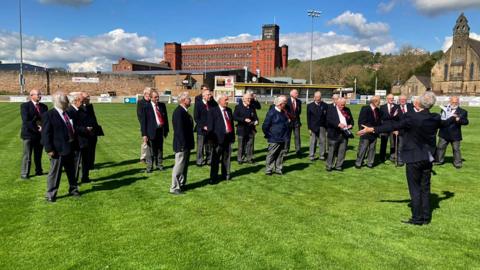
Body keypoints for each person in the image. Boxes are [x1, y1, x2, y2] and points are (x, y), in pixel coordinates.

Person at [358, 92, 458, 225]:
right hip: (428, 158)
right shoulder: (435, 117)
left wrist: (372, 129)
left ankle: (417, 218)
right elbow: (445, 123)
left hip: (414, 157)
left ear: (420, 103)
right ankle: (426, 217)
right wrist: (454, 118)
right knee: (425, 188)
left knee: (415, 189)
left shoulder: (412, 117)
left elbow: (392, 126)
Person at [42, 91, 80, 202]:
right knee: (55, 173)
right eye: (66, 100)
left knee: (72, 172)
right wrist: (49, 149)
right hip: (58, 149)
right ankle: (51, 194)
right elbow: (46, 134)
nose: (68, 102)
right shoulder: (49, 115)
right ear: (60, 102)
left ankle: (73, 189)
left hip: (70, 147)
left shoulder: (68, 113)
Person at [170, 92, 195, 195]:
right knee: (179, 165)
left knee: (184, 166)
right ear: (184, 100)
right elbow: (179, 131)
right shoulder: (179, 112)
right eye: (189, 99)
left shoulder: (184, 111)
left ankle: (181, 184)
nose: (190, 100)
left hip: (186, 144)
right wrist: (183, 145)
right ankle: (174, 187)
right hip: (181, 144)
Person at [20, 89, 48, 179]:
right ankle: (25, 173)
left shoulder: (44, 107)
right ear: (31, 95)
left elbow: (46, 120)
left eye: (40, 94)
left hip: (39, 135)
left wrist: (43, 127)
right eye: (38, 94)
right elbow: (26, 121)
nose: (40, 96)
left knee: (38, 154)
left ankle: (39, 170)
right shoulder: (25, 106)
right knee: (27, 155)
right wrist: (37, 127)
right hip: (29, 134)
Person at [207, 94, 235, 183]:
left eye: (228, 100)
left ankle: (226, 174)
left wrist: (232, 137)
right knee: (215, 159)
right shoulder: (213, 111)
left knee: (226, 158)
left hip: (228, 138)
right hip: (217, 139)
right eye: (225, 100)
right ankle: (213, 177)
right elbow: (210, 126)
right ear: (219, 100)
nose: (227, 101)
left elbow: (231, 124)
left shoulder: (229, 110)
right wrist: (211, 140)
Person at [435, 96, 469, 168]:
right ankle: (439, 161)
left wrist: (458, 119)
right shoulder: (444, 109)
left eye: (456, 102)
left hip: (455, 134)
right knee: (440, 148)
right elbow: (441, 119)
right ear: (450, 102)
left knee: (456, 149)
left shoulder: (463, 111)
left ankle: (457, 163)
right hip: (444, 132)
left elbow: (466, 122)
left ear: (458, 102)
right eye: (453, 102)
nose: (454, 103)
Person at [140, 90, 169, 173]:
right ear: (151, 98)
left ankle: (159, 164)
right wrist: (144, 134)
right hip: (150, 131)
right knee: (150, 150)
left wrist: (166, 130)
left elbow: (165, 119)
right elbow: (143, 122)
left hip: (160, 130)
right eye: (155, 97)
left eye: (158, 97)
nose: (157, 98)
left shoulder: (162, 105)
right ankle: (149, 166)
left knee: (160, 149)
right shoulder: (146, 107)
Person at [262, 95, 290, 175]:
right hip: (274, 138)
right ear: (280, 104)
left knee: (280, 154)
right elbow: (265, 126)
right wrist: (269, 135)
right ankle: (268, 170)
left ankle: (278, 169)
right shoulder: (271, 113)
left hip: (283, 137)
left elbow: (285, 123)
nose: (285, 104)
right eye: (284, 103)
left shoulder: (283, 112)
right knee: (272, 154)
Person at [325, 97, 354, 171]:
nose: (342, 106)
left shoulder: (347, 110)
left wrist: (350, 125)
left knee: (342, 151)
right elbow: (328, 120)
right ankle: (329, 166)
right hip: (334, 133)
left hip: (344, 134)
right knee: (332, 151)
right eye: (341, 105)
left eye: (344, 105)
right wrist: (338, 124)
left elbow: (351, 120)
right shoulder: (331, 109)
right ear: (337, 103)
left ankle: (339, 166)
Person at [66, 92, 89, 183]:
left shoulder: (82, 109)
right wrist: (85, 129)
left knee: (86, 160)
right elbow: (72, 127)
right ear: (76, 101)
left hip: (85, 139)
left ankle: (85, 177)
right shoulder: (69, 111)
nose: (83, 103)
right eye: (81, 101)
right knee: (76, 162)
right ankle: (74, 180)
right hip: (76, 140)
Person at [355, 96, 381, 169]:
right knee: (363, 148)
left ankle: (370, 163)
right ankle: (358, 163)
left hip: (374, 133)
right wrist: (363, 130)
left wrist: (376, 130)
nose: (379, 102)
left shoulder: (378, 110)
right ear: (374, 101)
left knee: (372, 148)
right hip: (366, 132)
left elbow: (378, 122)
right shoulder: (365, 108)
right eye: (379, 101)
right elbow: (361, 121)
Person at [233, 93, 259, 164]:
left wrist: (256, 121)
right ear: (243, 99)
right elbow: (234, 117)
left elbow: (255, 117)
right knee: (241, 145)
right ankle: (240, 159)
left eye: (250, 98)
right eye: (248, 98)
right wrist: (244, 119)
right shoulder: (238, 107)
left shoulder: (252, 107)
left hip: (251, 129)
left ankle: (249, 158)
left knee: (250, 145)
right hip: (241, 129)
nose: (249, 100)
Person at [194, 87, 216, 166]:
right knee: (200, 146)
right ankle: (199, 161)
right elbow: (196, 118)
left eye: (210, 94)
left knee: (209, 146)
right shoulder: (198, 105)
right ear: (203, 96)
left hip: (210, 129)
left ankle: (209, 160)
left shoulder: (212, 104)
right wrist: (203, 126)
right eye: (208, 95)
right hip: (201, 129)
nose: (210, 96)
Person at [81, 91, 102, 172]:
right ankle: (85, 165)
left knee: (92, 149)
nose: (89, 98)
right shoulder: (79, 107)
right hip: (85, 132)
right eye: (87, 97)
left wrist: (96, 129)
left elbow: (93, 118)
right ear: (82, 98)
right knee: (85, 150)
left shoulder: (90, 106)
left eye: (89, 97)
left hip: (93, 131)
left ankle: (91, 164)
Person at [306, 91, 328, 161]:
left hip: (322, 126)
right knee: (313, 141)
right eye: (317, 97)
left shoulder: (325, 105)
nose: (318, 98)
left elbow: (327, 117)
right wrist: (309, 128)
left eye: (319, 97)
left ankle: (322, 155)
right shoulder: (309, 106)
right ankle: (312, 155)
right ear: (314, 97)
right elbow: (308, 118)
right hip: (313, 127)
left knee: (322, 141)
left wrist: (327, 127)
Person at [379, 94, 399, 163]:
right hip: (384, 128)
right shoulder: (382, 107)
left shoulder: (397, 106)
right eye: (390, 98)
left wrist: (397, 128)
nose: (391, 99)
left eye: (392, 98)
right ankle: (382, 157)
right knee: (383, 143)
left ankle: (392, 157)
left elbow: (398, 119)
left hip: (393, 128)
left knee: (393, 144)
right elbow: (380, 118)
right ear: (387, 99)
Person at [396, 95, 414, 166]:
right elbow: (394, 120)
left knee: (410, 146)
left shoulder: (411, 106)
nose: (402, 101)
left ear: (406, 100)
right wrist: (395, 129)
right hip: (400, 131)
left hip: (410, 130)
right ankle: (400, 160)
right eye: (401, 99)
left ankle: (409, 159)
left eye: (404, 99)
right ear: (399, 100)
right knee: (401, 146)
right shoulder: (395, 108)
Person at [137, 87, 152, 162]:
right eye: (149, 94)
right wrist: (143, 125)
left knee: (152, 140)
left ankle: (151, 155)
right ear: (145, 94)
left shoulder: (151, 102)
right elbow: (139, 115)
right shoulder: (140, 102)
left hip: (152, 124)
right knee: (145, 141)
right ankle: (143, 157)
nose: (151, 95)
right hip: (144, 124)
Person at [285, 89, 302, 155]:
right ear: (291, 94)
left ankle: (298, 150)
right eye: (296, 93)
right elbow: (285, 111)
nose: (297, 94)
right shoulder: (287, 101)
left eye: (297, 93)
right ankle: (286, 150)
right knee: (287, 136)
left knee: (297, 137)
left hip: (296, 122)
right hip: (288, 122)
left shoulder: (299, 101)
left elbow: (299, 111)